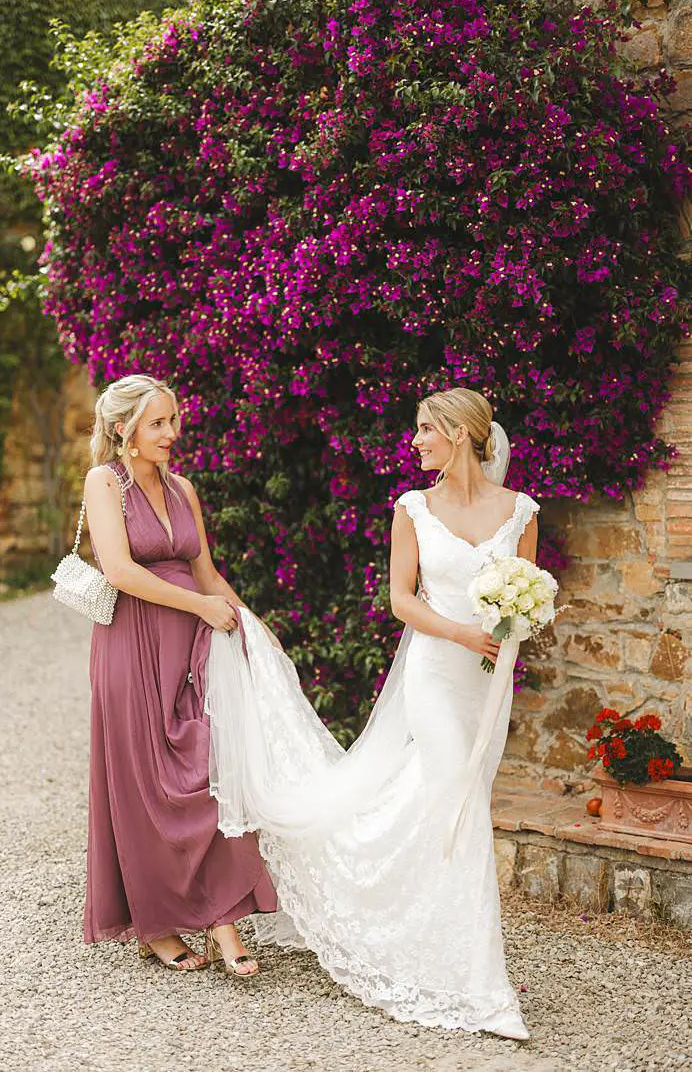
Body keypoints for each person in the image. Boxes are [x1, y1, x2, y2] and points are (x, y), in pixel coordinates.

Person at [203, 387, 534, 1039]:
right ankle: (481, 987)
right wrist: (463, 634)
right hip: (436, 675)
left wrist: (518, 627)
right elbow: (402, 601)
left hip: (489, 684)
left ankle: (419, 938)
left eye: (425, 431)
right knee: (455, 801)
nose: (415, 442)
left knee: (457, 803)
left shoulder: (521, 512)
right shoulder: (413, 508)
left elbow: (528, 597)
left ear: (461, 435)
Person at [79, 374, 278, 974]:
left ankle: (222, 920)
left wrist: (249, 625)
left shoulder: (183, 488)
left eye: (174, 420)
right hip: (131, 645)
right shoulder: (103, 484)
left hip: (190, 648)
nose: (173, 433)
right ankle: (156, 922)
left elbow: (207, 572)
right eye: (159, 423)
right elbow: (118, 569)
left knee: (206, 767)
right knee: (147, 785)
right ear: (124, 430)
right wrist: (199, 606)